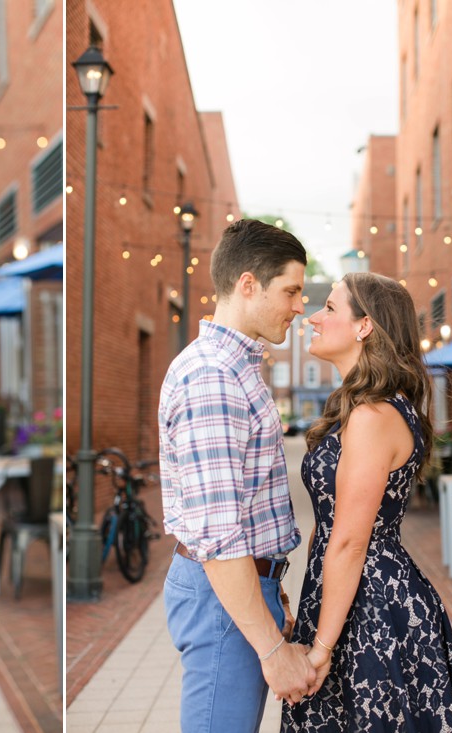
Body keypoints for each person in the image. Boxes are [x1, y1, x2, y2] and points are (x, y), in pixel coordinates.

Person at [281, 272, 452, 731]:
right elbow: (329, 532)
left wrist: (322, 648)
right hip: (348, 597)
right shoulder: (366, 406)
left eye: (329, 309)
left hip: (373, 608)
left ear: (364, 326)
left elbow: (348, 541)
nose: (312, 318)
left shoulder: (373, 414)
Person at [159, 218, 317, 733]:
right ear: (248, 285)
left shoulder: (237, 368)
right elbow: (220, 536)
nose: (300, 306)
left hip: (239, 590)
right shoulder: (213, 377)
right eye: (291, 290)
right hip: (221, 596)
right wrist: (274, 650)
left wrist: (272, 592)